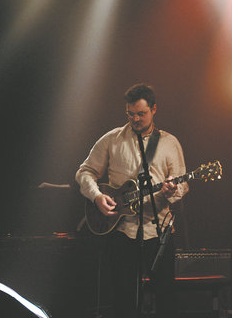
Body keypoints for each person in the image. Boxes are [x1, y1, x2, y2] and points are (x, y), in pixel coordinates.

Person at [76, 83, 188, 318]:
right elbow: (84, 172)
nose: (135, 119)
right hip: (121, 231)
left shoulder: (169, 143)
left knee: (166, 297)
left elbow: (183, 184)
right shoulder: (112, 139)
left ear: (154, 109)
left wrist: (172, 190)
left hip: (159, 231)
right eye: (130, 114)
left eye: (141, 113)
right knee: (123, 299)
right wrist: (97, 196)